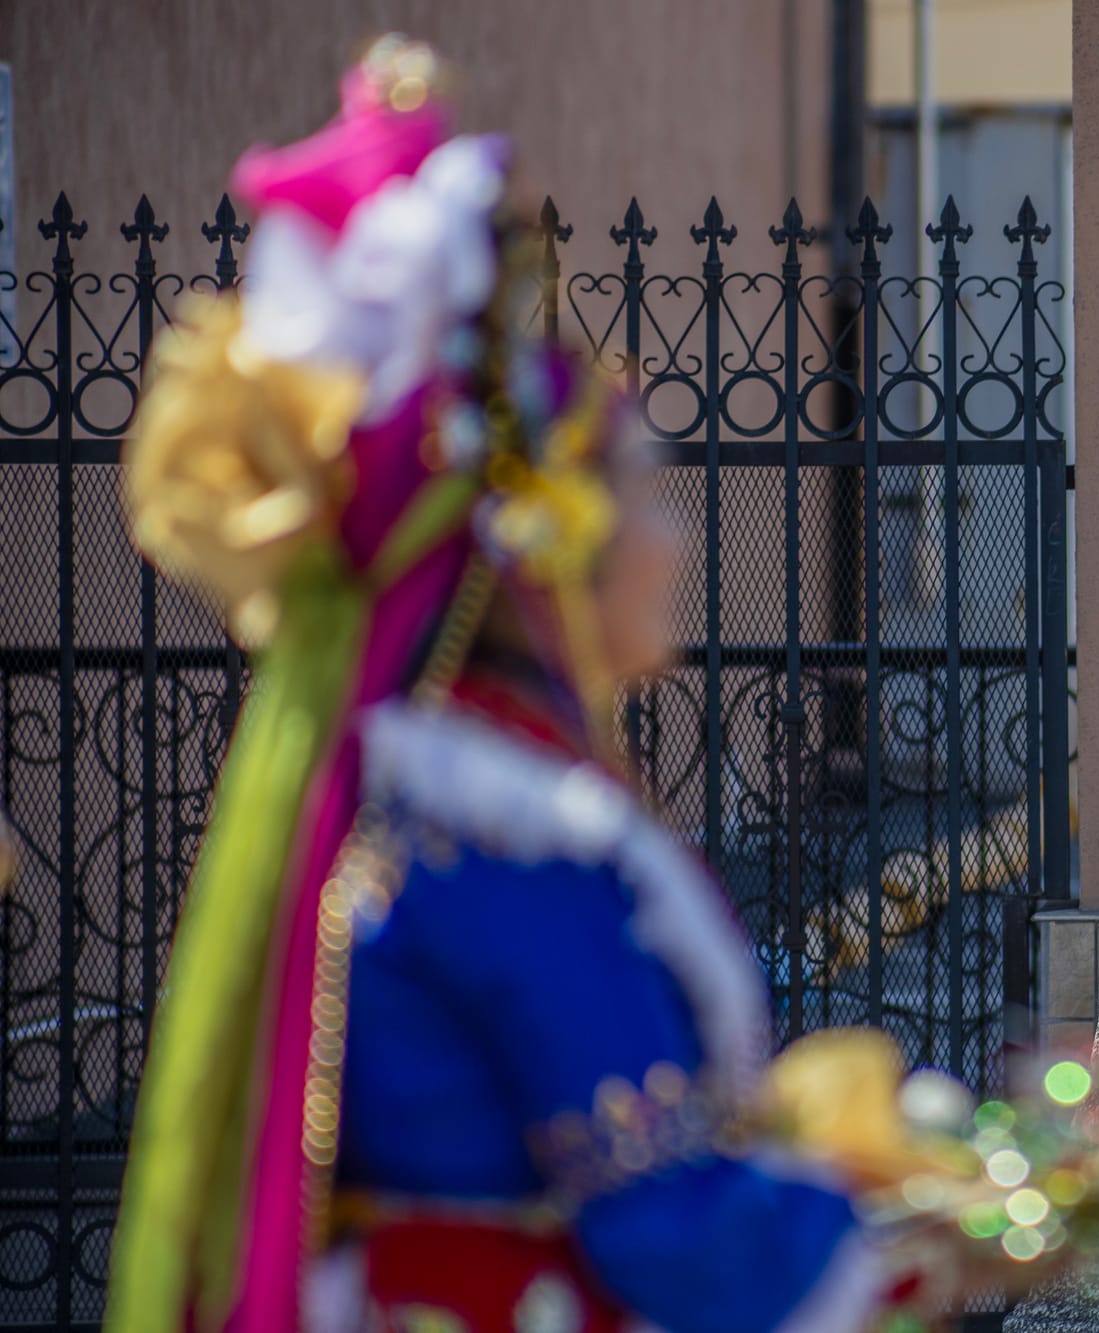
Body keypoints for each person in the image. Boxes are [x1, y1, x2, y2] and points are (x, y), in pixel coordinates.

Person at [104, 38, 883, 1330]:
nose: (677, 538)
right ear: (545, 555)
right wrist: (983, 1207)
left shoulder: (460, 802)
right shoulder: (506, 844)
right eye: (650, 489)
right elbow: (683, 1238)